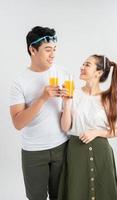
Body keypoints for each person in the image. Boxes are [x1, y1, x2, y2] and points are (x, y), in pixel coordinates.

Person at [9, 26, 69, 200]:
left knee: (62, 195)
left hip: (62, 147)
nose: (53, 54)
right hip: (33, 152)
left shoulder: (64, 74)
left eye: (55, 49)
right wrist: (42, 98)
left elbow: (70, 111)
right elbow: (18, 123)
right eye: (47, 50)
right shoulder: (19, 83)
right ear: (32, 50)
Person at [58, 54, 117, 200]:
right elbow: (65, 127)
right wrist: (67, 102)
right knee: (76, 190)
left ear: (98, 73)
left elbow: (116, 130)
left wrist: (96, 132)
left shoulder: (109, 98)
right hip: (75, 152)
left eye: (87, 64)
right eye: (83, 64)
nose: (82, 67)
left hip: (102, 154)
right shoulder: (72, 92)